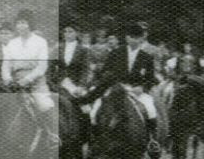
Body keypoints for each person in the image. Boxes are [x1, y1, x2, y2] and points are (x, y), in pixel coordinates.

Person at [88, 21, 161, 149]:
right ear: (127, 38)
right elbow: (105, 72)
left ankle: (151, 141)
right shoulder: (116, 53)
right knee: (94, 111)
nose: (134, 40)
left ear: (141, 39)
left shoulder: (147, 57)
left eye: (137, 38)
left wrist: (142, 87)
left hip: (136, 91)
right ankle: (94, 142)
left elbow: (151, 79)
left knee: (150, 110)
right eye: (131, 37)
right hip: (116, 89)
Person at [1, 8, 58, 145]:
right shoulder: (12, 43)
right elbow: (6, 65)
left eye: (24, 23)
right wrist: (8, 79)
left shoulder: (40, 42)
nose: (20, 26)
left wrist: (26, 80)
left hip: (35, 81)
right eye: (18, 23)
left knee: (44, 104)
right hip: (15, 81)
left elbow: (42, 67)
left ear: (30, 24)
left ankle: (52, 136)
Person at [50, 23, 92, 97]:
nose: (67, 34)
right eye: (65, 31)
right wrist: (51, 83)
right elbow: (50, 67)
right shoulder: (58, 49)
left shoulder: (83, 50)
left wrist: (81, 86)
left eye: (70, 31)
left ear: (77, 33)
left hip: (76, 82)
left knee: (85, 101)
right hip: (60, 81)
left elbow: (85, 69)